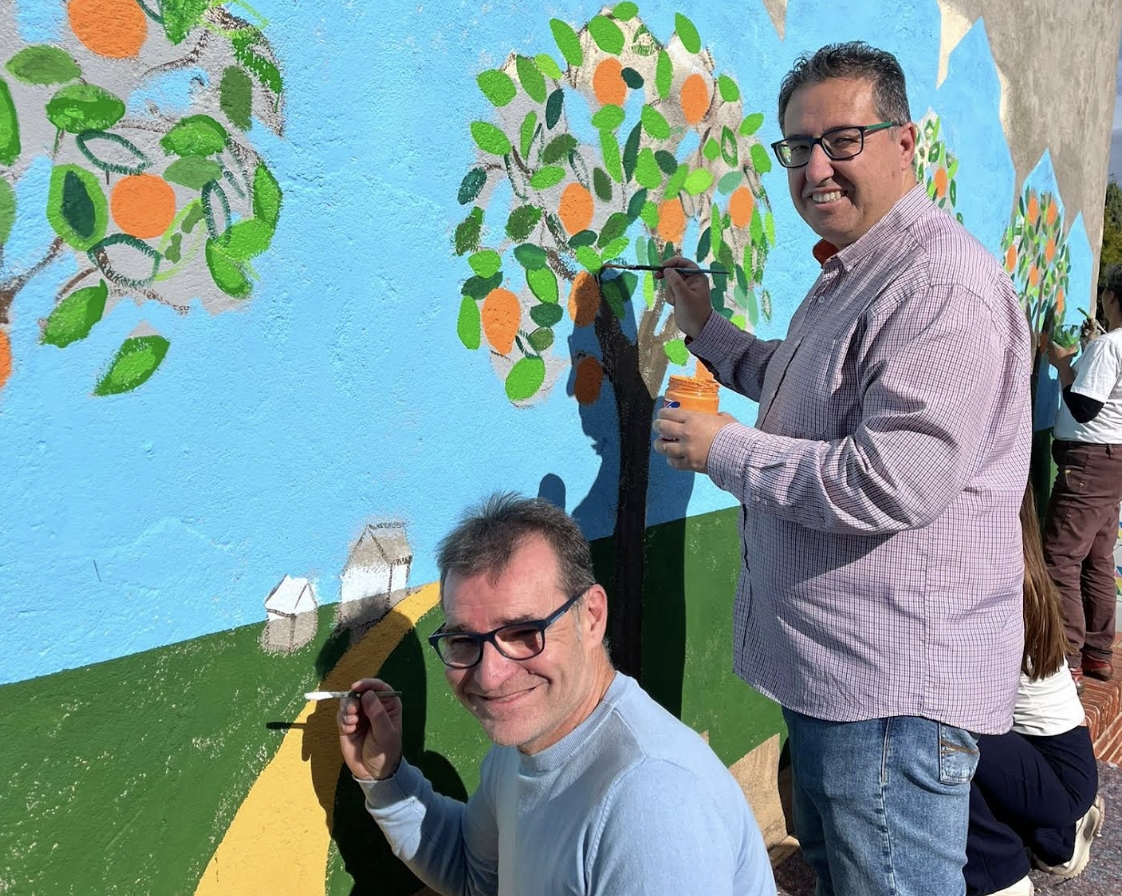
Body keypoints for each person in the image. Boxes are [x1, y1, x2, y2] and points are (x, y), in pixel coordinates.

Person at [652, 41, 1031, 896]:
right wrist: (707, 328)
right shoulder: (860, 274)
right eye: (797, 147)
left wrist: (723, 450)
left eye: (842, 140)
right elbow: (805, 383)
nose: (815, 167)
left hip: (888, 700)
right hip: (840, 681)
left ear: (906, 143)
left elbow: (893, 479)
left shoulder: (938, 286)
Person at [335, 493, 776, 896]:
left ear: (592, 617)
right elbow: (476, 875)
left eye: (525, 632)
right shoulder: (528, 739)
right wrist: (386, 776)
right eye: (463, 641)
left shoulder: (650, 806)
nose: (489, 677)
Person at [965, 485, 1102, 896]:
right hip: (1060, 762)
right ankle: (1055, 840)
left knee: (940, 733)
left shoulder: (996, 588)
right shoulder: (1021, 571)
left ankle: (999, 874)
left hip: (1057, 775)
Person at [1042, 264, 1122, 691]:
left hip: (1090, 462)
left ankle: (1066, 659)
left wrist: (1062, 365)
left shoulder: (1110, 346)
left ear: (1111, 298)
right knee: (1097, 559)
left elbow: (1086, 408)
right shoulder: (1109, 346)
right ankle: (1097, 652)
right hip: (1114, 464)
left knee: (1059, 558)